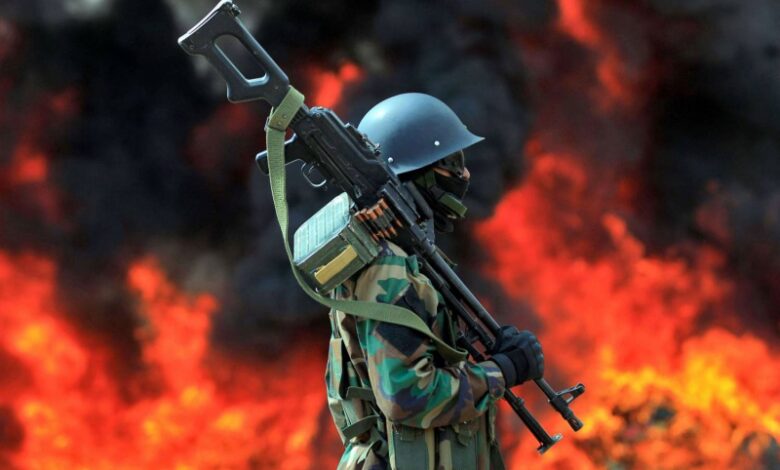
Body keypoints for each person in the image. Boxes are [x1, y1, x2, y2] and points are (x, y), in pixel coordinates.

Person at [325, 93, 545, 470]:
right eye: (450, 164)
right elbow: (407, 396)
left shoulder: (401, 258)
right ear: (418, 175)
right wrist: (502, 371)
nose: (463, 176)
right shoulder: (389, 270)